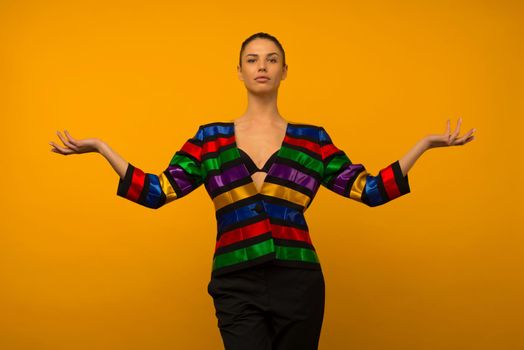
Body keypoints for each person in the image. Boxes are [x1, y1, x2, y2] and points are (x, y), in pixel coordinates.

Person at [49, 32, 476, 350]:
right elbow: (158, 191)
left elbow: (368, 190)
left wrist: (423, 146)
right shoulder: (209, 139)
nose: (262, 66)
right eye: (252, 59)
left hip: (299, 279)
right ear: (239, 71)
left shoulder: (312, 140)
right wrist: (103, 149)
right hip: (234, 280)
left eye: (272, 59)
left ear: (284, 71)